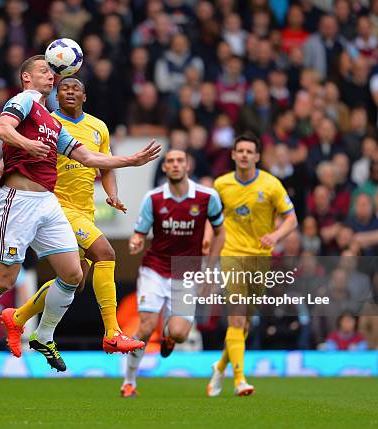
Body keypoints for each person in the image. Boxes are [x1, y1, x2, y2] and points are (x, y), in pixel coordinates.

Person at [0, 55, 160, 372]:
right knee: (5, 280)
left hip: (48, 203)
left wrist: (132, 161)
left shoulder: (54, 122)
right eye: (44, 70)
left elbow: (87, 156)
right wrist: (25, 147)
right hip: (18, 201)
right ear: (27, 79)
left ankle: (43, 335)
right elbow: (3, 129)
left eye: (51, 71)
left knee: (74, 275)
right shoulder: (23, 101)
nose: (51, 75)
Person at [2, 76, 144, 354]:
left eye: (75, 88)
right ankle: (112, 333)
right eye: (63, 88)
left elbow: (105, 166)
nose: (69, 91)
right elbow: (22, 152)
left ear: (84, 96)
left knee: (74, 281)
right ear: (56, 95)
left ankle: (17, 317)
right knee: (106, 253)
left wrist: (112, 193)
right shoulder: (47, 123)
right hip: (55, 207)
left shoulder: (98, 127)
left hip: (85, 210)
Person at [120, 149, 225, 398]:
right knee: (144, 327)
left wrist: (210, 270)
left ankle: (168, 336)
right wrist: (136, 242)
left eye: (180, 161)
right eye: (170, 162)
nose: (175, 165)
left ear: (187, 165)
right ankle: (129, 381)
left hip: (187, 272)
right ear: (164, 168)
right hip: (155, 269)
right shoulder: (154, 198)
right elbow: (140, 232)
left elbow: (220, 232)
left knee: (179, 333)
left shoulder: (207, 197)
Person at [207, 133, 298, 397]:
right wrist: (207, 242)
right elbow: (210, 218)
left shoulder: (271, 185)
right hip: (231, 254)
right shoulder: (221, 185)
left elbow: (291, 219)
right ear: (233, 155)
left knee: (245, 324)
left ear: (257, 157)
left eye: (250, 151)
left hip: (260, 259)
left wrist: (276, 236)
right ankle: (239, 380)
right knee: (236, 317)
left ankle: (220, 365)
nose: (245, 155)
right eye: (241, 151)